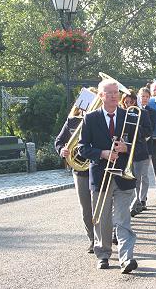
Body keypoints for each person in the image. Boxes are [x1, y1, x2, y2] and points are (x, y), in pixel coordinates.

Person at [78, 79, 138, 272]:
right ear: (101, 96)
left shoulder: (129, 116)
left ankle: (126, 258)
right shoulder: (91, 118)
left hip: (123, 176)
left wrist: (126, 147)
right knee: (102, 219)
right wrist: (102, 153)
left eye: (116, 92)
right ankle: (103, 254)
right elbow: (82, 148)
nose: (113, 96)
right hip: (100, 175)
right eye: (109, 93)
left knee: (123, 219)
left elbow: (142, 147)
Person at [54, 103, 94, 254]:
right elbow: (58, 141)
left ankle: (106, 234)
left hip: (97, 167)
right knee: (86, 208)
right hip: (79, 170)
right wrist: (62, 150)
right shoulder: (71, 121)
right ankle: (92, 239)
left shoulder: (98, 119)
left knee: (101, 205)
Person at [119, 89, 152, 217]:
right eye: (125, 102)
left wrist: (136, 125)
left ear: (135, 101)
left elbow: (149, 131)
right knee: (130, 179)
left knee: (139, 178)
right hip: (125, 152)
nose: (128, 104)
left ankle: (139, 201)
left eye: (130, 101)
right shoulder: (121, 113)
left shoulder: (142, 113)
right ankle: (133, 202)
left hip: (139, 150)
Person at [137, 87, 156, 210]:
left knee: (144, 174)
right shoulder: (133, 109)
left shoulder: (152, 112)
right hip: (134, 147)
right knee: (136, 175)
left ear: (149, 98)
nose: (144, 98)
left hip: (146, 145)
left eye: (146, 96)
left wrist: (141, 140)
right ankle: (136, 199)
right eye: (142, 96)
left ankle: (142, 199)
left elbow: (151, 129)